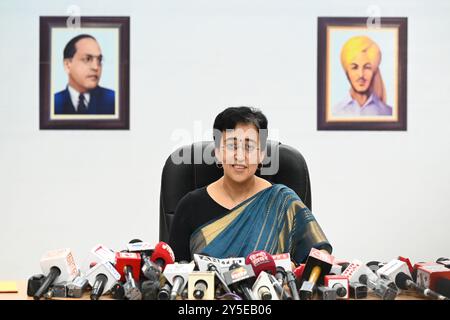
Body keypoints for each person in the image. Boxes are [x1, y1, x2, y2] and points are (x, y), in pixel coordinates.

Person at [168, 107, 332, 264]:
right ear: (217, 152)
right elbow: (174, 273)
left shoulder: (282, 201)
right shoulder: (190, 206)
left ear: (261, 154)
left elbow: (318, 259)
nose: (240, 156)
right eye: (232, 145)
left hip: (272, 292)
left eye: (249, 147)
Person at [54, 34, 115, 115]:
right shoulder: (53, 103)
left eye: (99, 60)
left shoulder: (114, 101)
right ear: (67, 65)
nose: (96, 67)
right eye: (87, 59)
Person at [333, 35, 392, 116]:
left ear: (374, 71)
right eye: (354, 67)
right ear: (347, 72)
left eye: (367, 67)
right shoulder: (334, 112)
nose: (361, 74)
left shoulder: (388, 113)